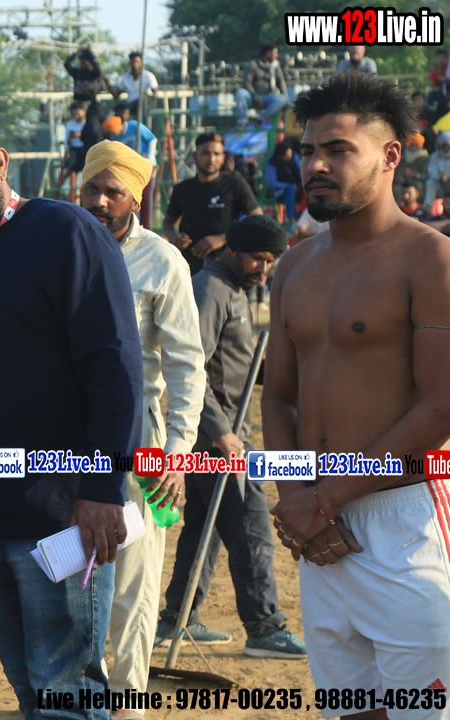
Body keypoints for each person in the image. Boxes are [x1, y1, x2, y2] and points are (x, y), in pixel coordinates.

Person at [0, 107, 143, 720]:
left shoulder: (63, 229)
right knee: (31, 692)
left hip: (58, 513)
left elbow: (115, 365)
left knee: (65, 692)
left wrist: (101, 488)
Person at [264, 72, 450, 719]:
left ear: (390, 155)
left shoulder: (431, 259)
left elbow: (441, 406)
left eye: (338, 150)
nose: (315, 165)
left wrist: (325, 499)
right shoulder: (293, 266)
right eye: (308, 150)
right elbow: (278, 397)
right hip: (319, 528)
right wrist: (296, 496)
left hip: (402, 522)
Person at [78, 142, 205, 714]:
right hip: (64, 443)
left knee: (132, 583)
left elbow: (186, 367)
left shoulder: (163, 261)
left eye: (114, 191)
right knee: (70, 579)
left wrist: (178, 453)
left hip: (142, 445)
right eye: (92, 189)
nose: (101, 201)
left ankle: (127, 705)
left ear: (136, 198)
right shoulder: (58, 250)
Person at [157, 214, 306, 659]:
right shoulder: (210, 291)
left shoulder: (236, 289)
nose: (265, 268)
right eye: (259, 259)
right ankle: (264, 627)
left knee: (203, 528)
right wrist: (221, 431)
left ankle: (177, 618)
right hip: (216, 438)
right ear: (234, 250)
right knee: (251, 525)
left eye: (271, 261)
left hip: (226, 433)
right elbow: (192, 370)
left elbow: (235, 361)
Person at [162, 132, 263, 275]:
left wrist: (223, 238)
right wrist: (174, 237)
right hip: (187, 268)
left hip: (225, 267)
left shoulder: (235, 185)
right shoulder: (182, 189)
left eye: (216, 154)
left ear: (223, 158)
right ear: (195, 156)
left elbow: (258, 220)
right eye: (205, 153)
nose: (211, 159)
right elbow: (168, 222)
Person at [106, 106, 158, 228]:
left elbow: (152, 139)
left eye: (114, 131)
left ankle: (147, 226)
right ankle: (129, 226)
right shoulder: (114, 138)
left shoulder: (135, 126)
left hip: (145, 166)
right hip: (130, 170)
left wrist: (150, 158)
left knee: (146, 198)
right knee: (129, 198)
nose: (114, 134)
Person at [64, 46, 111, 148]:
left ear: (90, 62)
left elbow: (97, 67)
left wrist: (91, 53)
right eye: (81, 62)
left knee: (96, 128)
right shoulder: (77, 73)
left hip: (92, 106)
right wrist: (76, 52)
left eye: (84, 62)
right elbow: (66, 64)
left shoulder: (94, 74)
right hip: (79, 104)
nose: (82, 64)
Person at [235, 44, 289, 127]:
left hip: (267, 97)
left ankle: (259, 120)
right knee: (240, 93)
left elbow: (281, 82)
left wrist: (286, 101)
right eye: (275, 52)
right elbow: (246, 84)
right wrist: (256, 97)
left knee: (282, 99)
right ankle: (242, 123)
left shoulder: (276, 66)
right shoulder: (253, 64)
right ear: (268, 53)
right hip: (252, 97)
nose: (277, 55)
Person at [112, 51, 159, 118]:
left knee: (142, 101)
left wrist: (149, 95)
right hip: (130, 105)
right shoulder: (125, 77)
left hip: (144, 103)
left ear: (141, 63)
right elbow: (116, 97)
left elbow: (156, 95)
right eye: (133, 62)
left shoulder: (148, 75)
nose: (135, 64)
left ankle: (144, 123)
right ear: (130, 64)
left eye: (137, 62)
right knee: (120, 110)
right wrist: (109, 84)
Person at [266, 143, 302, 225]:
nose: (290, 156)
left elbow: (300, 173)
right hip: (279, 192)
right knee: (290, 189)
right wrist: (289, 186)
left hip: (296, 189)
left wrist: (300, 185)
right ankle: (292, 220)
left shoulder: (293, 157)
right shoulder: (271, 163)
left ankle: (305, 217)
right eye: (287, 155)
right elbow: (272, 183)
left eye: (290, 154)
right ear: (280, 156)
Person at [424, 131, 450, 209]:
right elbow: (431, 172)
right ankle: (428, 208)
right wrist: (440, 177)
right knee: (430, 183)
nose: (445, 147)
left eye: (447, 145)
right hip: (439, 184)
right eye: (443, 145)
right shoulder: (434, 156)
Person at [63, 102, 89, 176]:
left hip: (86, 149)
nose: (75, 116)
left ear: (84, 112)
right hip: (75, 150)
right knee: (72, 162)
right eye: (74, 114)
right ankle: (61, 180)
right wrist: (71, 137)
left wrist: (82, 135)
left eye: (77, 114)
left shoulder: (89, 124)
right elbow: (67, 144)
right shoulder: (69, 125)